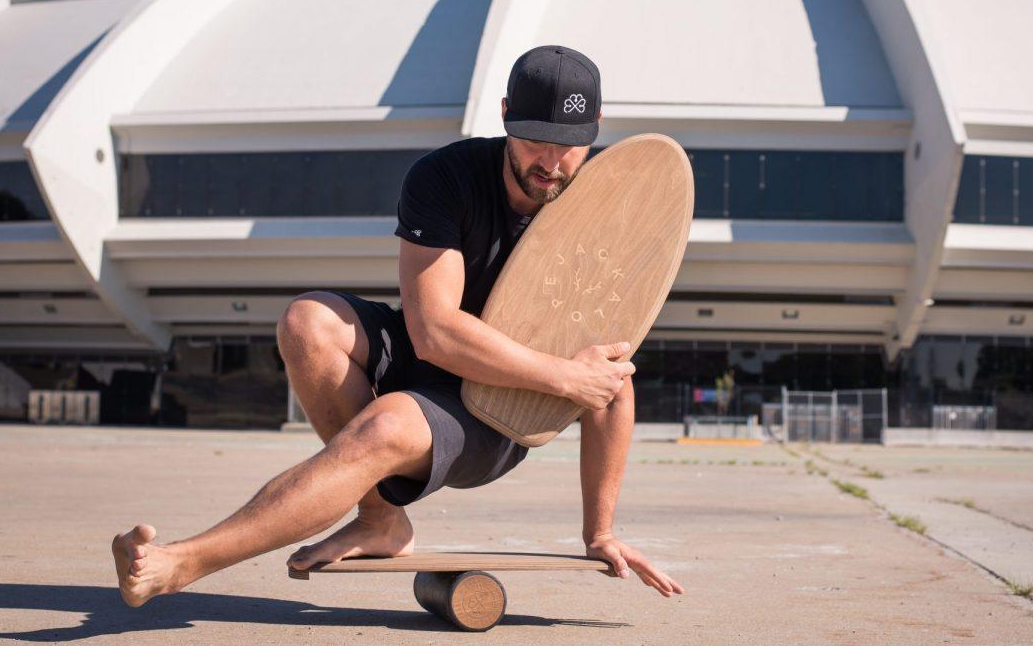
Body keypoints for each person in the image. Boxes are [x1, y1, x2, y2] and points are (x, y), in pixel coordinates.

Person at [111, 45, 685, 606]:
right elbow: (434, 329)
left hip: (498, 407)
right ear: (506, 113)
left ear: (597, 127)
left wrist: (600, 533)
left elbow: (611, 377)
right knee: (307, 322)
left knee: (384, 428)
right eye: (536, 139)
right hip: (443, 354)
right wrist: (563, 376)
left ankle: (183, 562)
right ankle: (382, 521)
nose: (551, 163)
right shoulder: (446, 177)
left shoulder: (606, 208)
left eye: (569, 146)